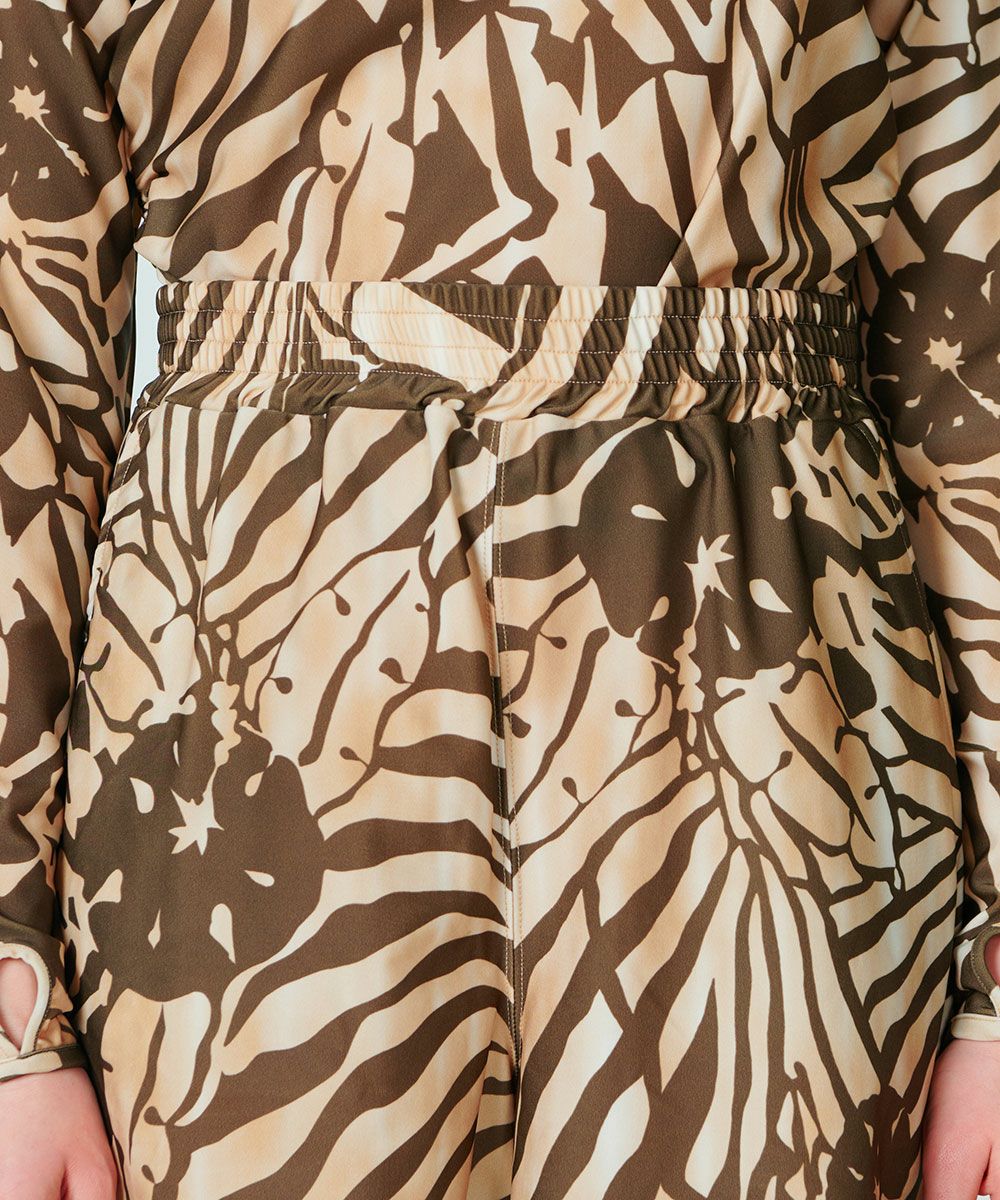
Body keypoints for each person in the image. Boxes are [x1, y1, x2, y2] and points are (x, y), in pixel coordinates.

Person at [0, 0, 997, 1197]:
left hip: (766, 681)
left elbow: (969, 353)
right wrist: (13, 1006)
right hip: (253, 704)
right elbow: (24, 378)